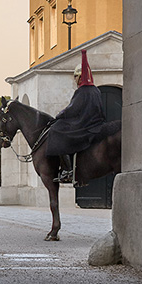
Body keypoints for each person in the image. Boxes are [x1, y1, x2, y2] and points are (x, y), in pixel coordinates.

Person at [46, 50, 105, 184]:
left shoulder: (82, 91)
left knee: (56, 131)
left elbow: (72, 109)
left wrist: (59, 115)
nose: (76, 80)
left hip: (85, 127)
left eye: (76, 77)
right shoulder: (96, 90)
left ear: (79, 77)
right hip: (96, 124)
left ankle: (67, 169)